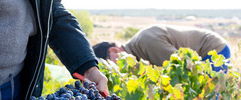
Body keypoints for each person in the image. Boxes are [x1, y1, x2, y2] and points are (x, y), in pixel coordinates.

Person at [93, 24, 230, 71]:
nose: (116, 70)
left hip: (213, 50)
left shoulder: (147, 44)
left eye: (110, 64)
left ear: (114, 51)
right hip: (203, 54)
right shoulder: (138, 51)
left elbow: (184, 65)